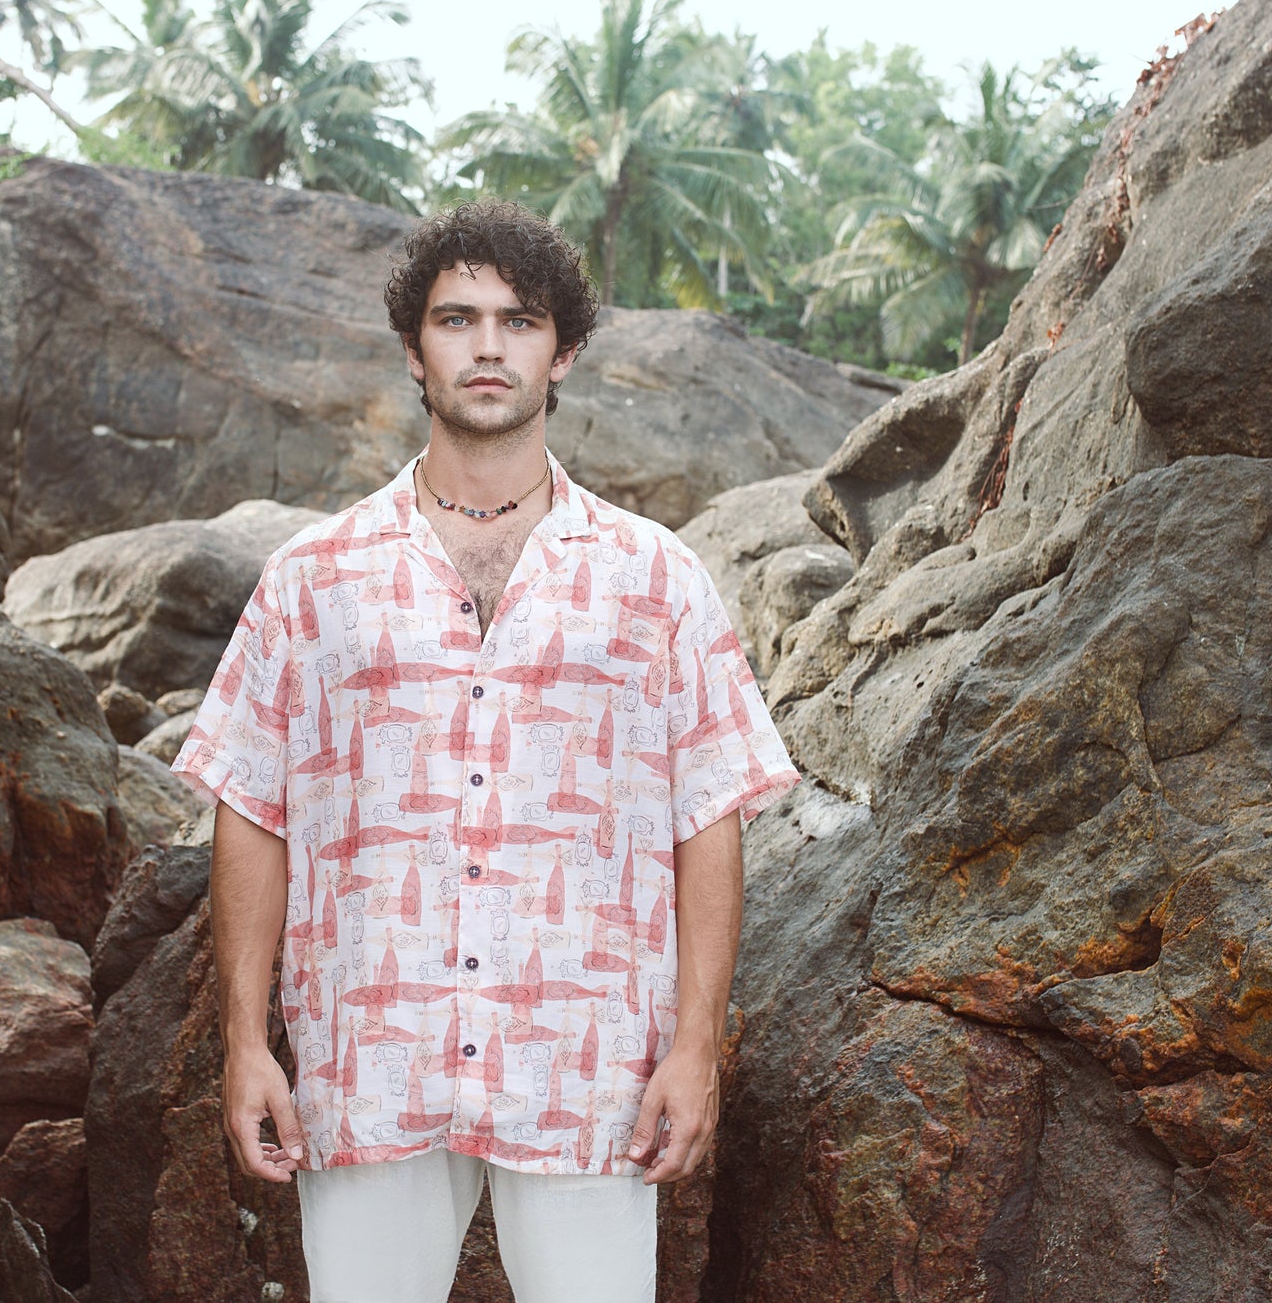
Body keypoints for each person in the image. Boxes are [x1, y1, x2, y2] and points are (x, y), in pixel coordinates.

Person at [170, 198, 800, 1303]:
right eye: (457, 319)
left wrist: (694, 1045)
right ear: (415, 350)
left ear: (564, 350)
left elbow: (708, 816)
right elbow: (253, 808)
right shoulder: (313, 579)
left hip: (587, 1067)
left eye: (520, 320)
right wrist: (245, 1040)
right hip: (371, 1055)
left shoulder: (655, 579)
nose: (489, 345)